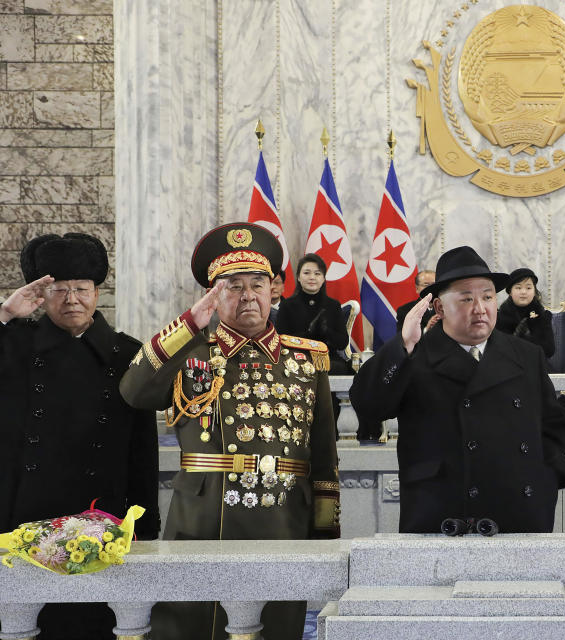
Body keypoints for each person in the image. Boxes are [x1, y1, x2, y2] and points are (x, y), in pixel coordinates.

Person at [119, 223, 340, 640]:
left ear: (274, 290)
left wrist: (324, 530)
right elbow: (133, 391)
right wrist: (189, 323)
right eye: (232, 286)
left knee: (275, 625)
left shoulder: (308, 359)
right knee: (191, 625)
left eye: (257, 283)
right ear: (214, 295)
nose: (247, 295)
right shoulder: (191, 349)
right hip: (204, 515)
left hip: (282, 515)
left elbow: (324, 453)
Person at [0, 233, 159, 640]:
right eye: (59, 289)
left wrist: (145, 523)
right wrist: (4, 314)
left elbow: (142, 450)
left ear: (97, 292)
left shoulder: (127, 354)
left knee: (96, 624)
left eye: (81, 289)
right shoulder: (13, 343)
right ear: (42, 294)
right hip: (25, 514)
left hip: (101, 516)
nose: (71, 298)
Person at [350, 246, 565, 533]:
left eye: (488, 297)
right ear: (440, 308)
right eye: (467, 299)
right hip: (442, 511)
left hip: (521, 509)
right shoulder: (415, 355)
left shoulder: (526, 355)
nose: (480, 308)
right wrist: (402, 346)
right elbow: (369, 406)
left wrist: (544, 478)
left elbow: (554, 426)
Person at [275, 254, 350, 374]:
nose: (312, 277)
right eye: (306, 273)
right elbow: (280, 340)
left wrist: (326, 332)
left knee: (341, 368)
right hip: (296, 359)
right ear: (298, 277)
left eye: (317, 273)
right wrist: (309, 334)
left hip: (328, 359)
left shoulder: (333, 305)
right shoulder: (287, 305)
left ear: (324, 278)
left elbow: (342, 343)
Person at [496, 267, 555, 358]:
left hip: (536, 363)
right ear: (510, 292)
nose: (523, 292)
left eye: (528, 288)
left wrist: (528, 337)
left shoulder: (542, 315)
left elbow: (549, 350)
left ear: (534, 291)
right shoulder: (500, 317)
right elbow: (498, 351)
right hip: (509, 365)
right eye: (518, 288)